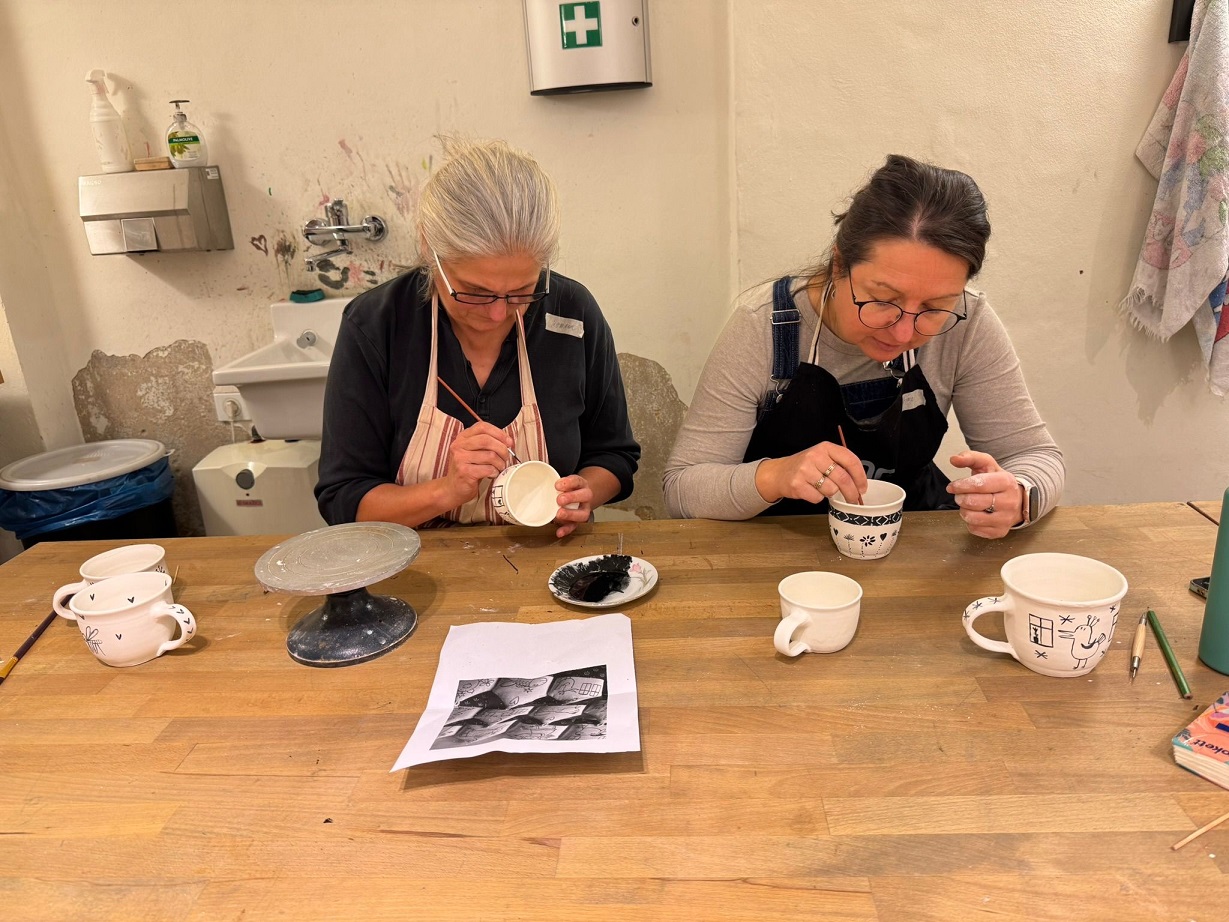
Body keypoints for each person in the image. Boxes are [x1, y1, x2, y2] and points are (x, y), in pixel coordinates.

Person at [664, 154, 1063, 539]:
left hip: (912, 542)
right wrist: (774, 475)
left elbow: (1036, 456)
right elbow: (683, 489)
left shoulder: (968, 322)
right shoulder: (762, 327)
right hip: (778, 549)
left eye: (934, 308)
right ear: (839, 264)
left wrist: (1020, 497)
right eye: (883, 299)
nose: (903, 334)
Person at [316, 138, 639, 538]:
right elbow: (343, 499)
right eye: (474, 292)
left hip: (549, 556)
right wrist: (446, 491)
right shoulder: (377, 324)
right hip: (414, 560)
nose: (499, 314)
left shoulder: (572, 312)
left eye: (522, 291)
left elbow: (615, 454)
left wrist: (584, 493)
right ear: (429, 249)